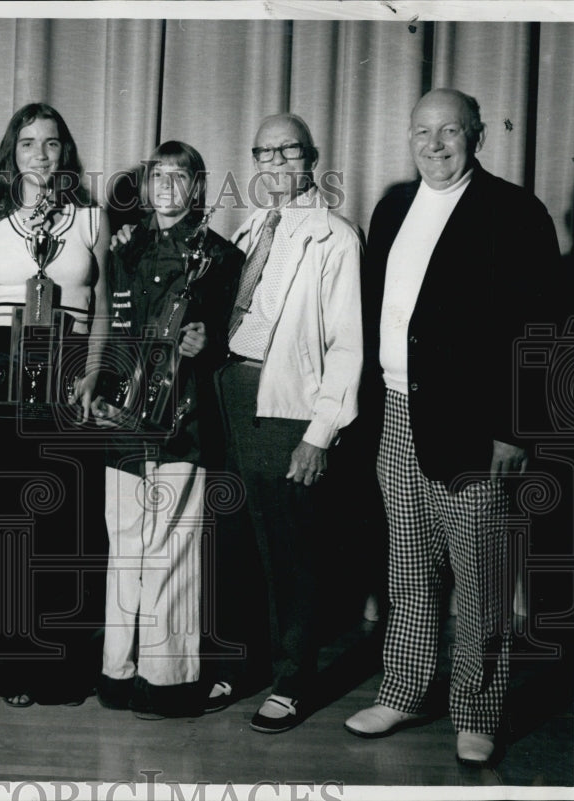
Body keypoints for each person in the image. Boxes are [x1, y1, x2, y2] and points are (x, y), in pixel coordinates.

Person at [343, 89, 560, 766]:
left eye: (450, 133)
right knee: (407, 568)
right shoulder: (391, 207)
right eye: (422, 133)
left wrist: (514, 429)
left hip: (476, 428)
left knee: (481, 578)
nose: (435, 146)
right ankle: (404, 689)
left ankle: (476, 710)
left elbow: (540, 332)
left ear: (478, 136)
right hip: (396, 414)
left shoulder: (515, 212)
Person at [216, 114, 363, 732]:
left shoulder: (337, 236)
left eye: (288, 150)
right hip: (232, 391)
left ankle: (293, 680)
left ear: (311, 156)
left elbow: (349, 346)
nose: (274, 161)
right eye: (264, 151)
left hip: (286, 407)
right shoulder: (250, 229)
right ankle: (246, 664)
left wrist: (318, 434)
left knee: (292, 549)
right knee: (241, 545)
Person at [0, 102, 111, 706]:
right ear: (12, 153)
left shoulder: (92, 221)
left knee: (68, 521)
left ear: (64, 153)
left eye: (52, 144)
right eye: (28, 144)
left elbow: (101, 304)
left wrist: (95, 370)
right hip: (6, 364)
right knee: (10, 520)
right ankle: (10, 662)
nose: (41, 155)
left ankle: (66, 665)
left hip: (71, 367)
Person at [92, 141, 244, 719]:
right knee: (126, 543)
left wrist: (210, 344)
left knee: (172, 546)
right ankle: (117, 671)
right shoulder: (124, 249)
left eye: (181, 177)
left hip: (185, 418)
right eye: (159, 176)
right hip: (127, 416)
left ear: (197, 188)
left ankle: (166, 681)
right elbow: (112, 323)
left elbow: (233, 337)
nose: (167, 187)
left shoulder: (222, 256)